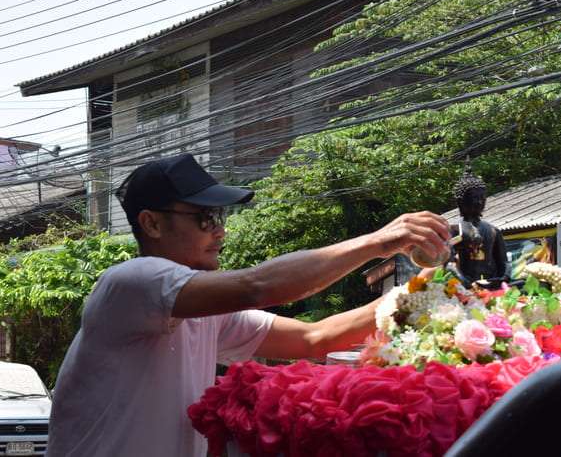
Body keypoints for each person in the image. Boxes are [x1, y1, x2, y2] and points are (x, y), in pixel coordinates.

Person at [45, 154, 452, 457]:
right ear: (151, 224)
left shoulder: (202, 310)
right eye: (205, 218)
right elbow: (259, 286)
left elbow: (315, 337)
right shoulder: (131, 282)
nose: (220, 230)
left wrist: (425, 291)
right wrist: (378, 242)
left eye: (220, 216)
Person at [444, 159, 511, 289]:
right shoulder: (455, 229)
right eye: (474, 198)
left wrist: (504, 278)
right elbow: (449, 264)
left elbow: (503, 262)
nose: (479, 202)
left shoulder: (493, 230)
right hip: (467, 283)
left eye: (482, 198)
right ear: (462, 201)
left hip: (492, 282)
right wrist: (463, 280)